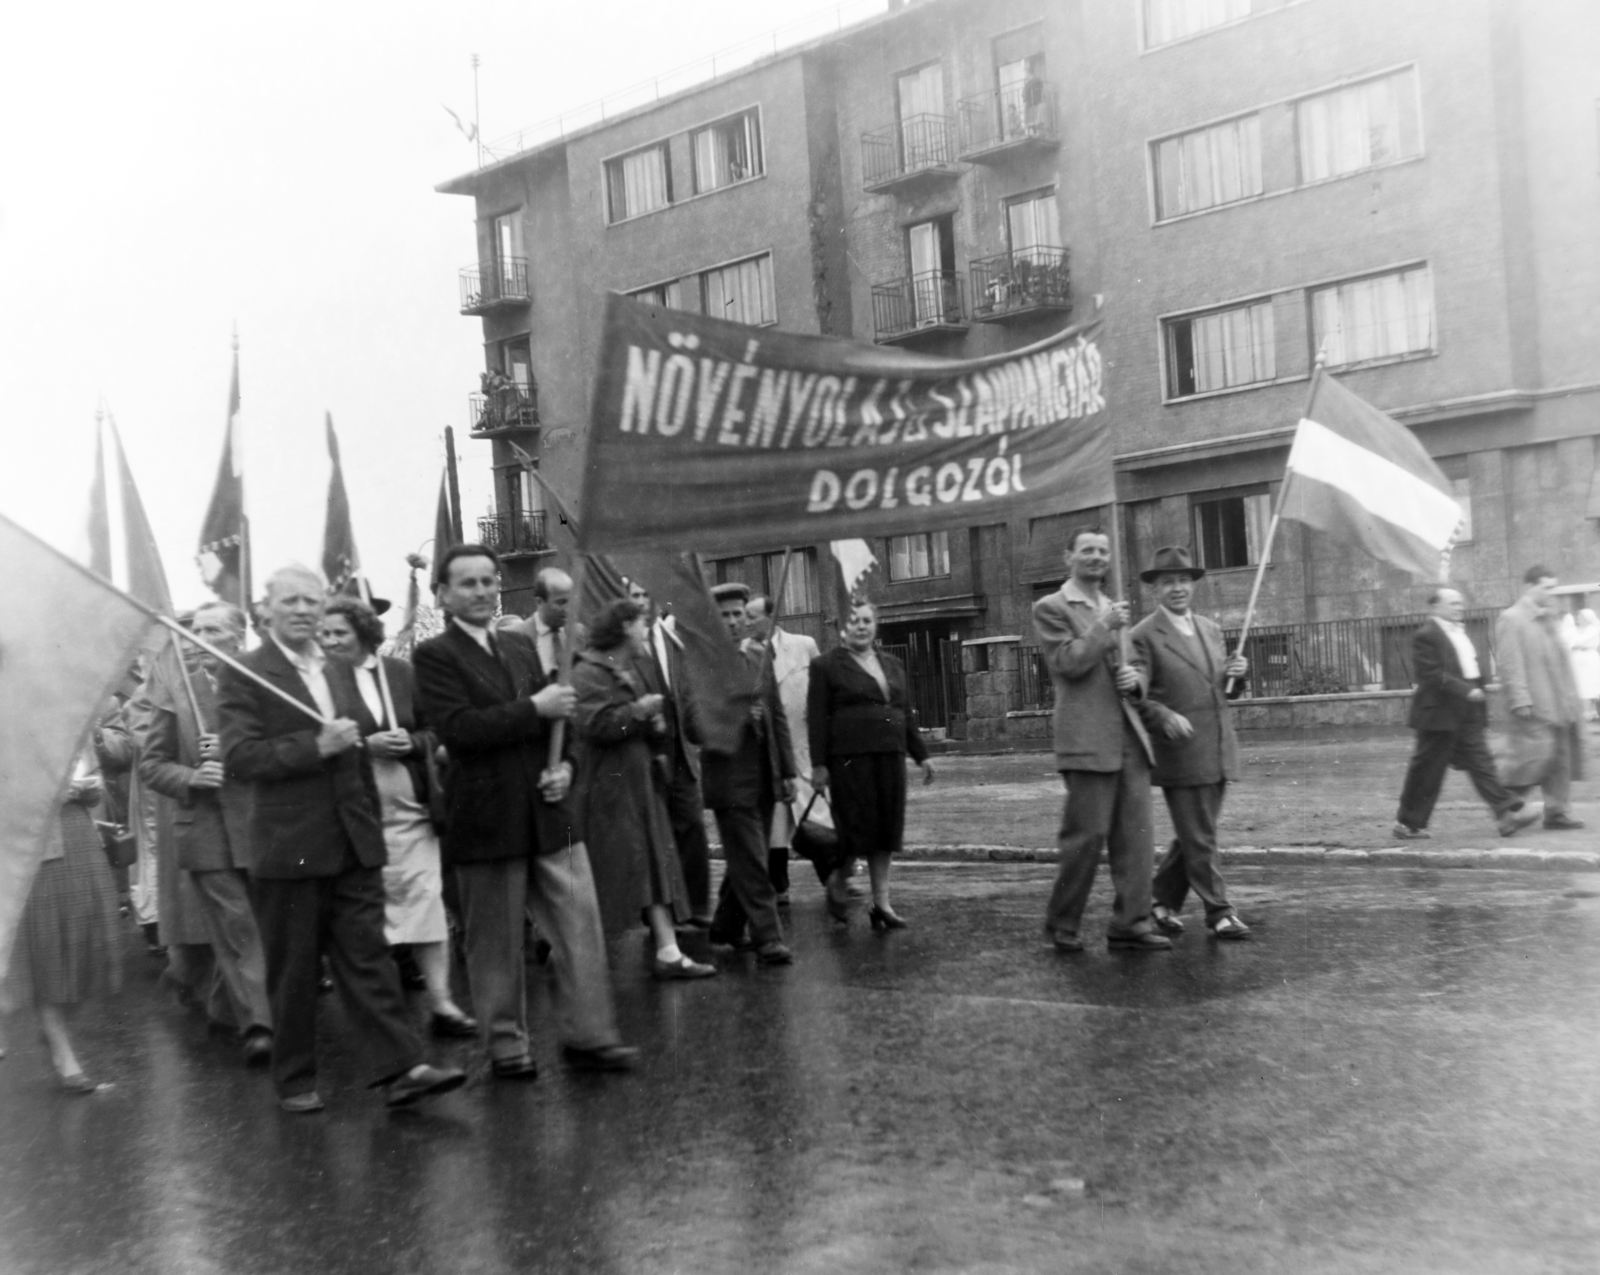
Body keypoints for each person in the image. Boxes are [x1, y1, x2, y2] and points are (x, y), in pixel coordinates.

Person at [217, 565, 466, 1113]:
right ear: (267, 609)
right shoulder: (246, 673)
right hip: (291, 846)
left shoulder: (337, 668)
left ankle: (403, 1068)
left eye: (312, 600)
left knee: (368, 959)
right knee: (295, 970)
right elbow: (239, 758)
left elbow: (357, 748)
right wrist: (315, 746)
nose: (304, 610)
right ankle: (295, 1079)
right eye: (291, 601)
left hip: (354, 840)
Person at [413, 545, 637, 1078]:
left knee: (580, 924)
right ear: (442, 595)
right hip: (487, 816)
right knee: (493, 941)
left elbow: (562, 723)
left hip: (547, 808)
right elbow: (460, 731)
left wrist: (569, 769)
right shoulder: (434, 657)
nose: (482, 591)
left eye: (489, 581)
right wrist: (532, 709)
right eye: (467, 583)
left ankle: (590, 1035)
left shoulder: (517, 648)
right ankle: (506, 1045)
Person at [317, 596, 476, 1038]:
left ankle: (442, 1002)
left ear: (365, 633)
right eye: (324, 634)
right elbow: (314, 745)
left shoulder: (401, 674)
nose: (329, 641)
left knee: (425, 903)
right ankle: (385, 1017)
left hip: (412, 813)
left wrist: (413, 743)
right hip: (355, 816)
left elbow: (435, 729)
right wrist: (365, 748)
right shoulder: (317, 682)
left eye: (339, 633)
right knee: (372, 916)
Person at [138, 601, 275, 1065]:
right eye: (194, 629)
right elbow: (152, 766)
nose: (198, 638)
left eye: (212, 630)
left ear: (238, 637)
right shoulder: (175, 692)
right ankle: (261, 1024)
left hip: (261, 824)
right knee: (239, 927)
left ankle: (223, 1007)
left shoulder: (263, 684)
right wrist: (191, 778)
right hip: (205, 829)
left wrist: (236, 752)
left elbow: (286, 751)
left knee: (256, 927)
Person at [1032, 528, 1168, 954]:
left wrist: (1137, 680)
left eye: (1103, 551)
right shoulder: (1051, 607)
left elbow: (1133, 667)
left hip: (1129, 736)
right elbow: (1067, 663)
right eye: (1087, 550)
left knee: (1137, 838)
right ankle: (1063, 924)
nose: (1096, 557)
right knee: (1086, 839)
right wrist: (1104, 628)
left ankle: (1131, 922)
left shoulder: (1114, 607)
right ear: (1068, 555)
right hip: (1087, 738)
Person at [572, 597, 715, 979]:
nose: (645, 631)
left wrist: (651, 729)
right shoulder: (588, 672)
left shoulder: (626, 669)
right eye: (640, 624)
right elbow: (596, 726)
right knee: (615, 868)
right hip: (610, 790)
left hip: (636, 786)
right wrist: (639, 713)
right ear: (622, 628)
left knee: (653, 864)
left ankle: (668, 950)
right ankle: (572, 952)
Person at [1128, 547, 1253, 940]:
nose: (1177, 588)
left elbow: (1221, 690)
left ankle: (1159, 902)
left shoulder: (1210, 629)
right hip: (1180, 751)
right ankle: (1219, 912)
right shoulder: (1143, 635)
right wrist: (1162, 716)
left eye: (1183, 580)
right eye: (1168, 582)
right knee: (1201, 835)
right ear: (1155, 590)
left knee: (1194, 832)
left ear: (1193, 585)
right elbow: (1135, 693)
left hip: (1217, 747)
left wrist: (1237, 675)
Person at [1, 741, 123, 1094]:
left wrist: (91, 788)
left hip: (79, 837)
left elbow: (94, 779)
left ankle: (53, 1025)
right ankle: (61, 1050)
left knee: (89, 942)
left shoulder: (72, 719)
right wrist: (49, 792)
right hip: (34, 846)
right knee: (48, 950)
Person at [807, 600, 934, 929]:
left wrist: (922, 755)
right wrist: (819, 766)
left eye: (867, 620)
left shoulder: (891, 663)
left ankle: (882, 904)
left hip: (889, 756)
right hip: (850, 760)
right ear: (841, 628)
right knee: (855, 830)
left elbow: (905, 713)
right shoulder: (826, 665)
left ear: (875, 625)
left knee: (886, 831)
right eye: (854, 621)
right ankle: (839, 877)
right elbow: (818, 720)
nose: (861, 626)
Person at [1391, 588, 1537, 841]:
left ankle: (1506, 815)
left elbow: (1469, 668)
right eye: (1452, 604)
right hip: (1439, 714)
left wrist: (1475, 693)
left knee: (1482, 763)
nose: (1459, 607)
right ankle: (1407, 824)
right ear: (1435, 607)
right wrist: (1466, 690)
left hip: (1466, 711)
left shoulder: (1459, 631)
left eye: (1460, 603)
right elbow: (1431, 673)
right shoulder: (1426, 635)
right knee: (1427, 770)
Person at [704, 581, 796, 965]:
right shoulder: (705, 662)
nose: (732, 622)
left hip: (765, 773)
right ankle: (768, 937)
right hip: (729, 776)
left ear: (747, 617)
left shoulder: (760, 653)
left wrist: (788, 771)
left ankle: (724, 927)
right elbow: (697, 725)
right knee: (755, 861)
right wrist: (738, 715)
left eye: (738, 614)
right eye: (723, 616)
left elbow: (777, 717)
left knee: (746, 857)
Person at [626, 578, 714, 927]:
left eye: (647, 593)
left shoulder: (673, 640)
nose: (643, 601)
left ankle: (694, 907)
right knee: (653, 834)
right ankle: (656, 910)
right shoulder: (622, 646)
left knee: (691, 824)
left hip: (680, 751)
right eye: (635, 595)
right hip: (646, 752)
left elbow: (688, 692)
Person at [745, 594, 823, 907]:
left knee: (816, 818)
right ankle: (780, 886)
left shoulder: (804, 645)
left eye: (752, 616)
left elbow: (820, 691)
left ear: (771, 616)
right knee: (777, 821)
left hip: (803, 744)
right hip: (771, 747)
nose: (747, 623)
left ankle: (836, 879)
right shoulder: (747, 655)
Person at [1496, 566, 1586, 830]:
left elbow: (1560, 662)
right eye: (1546, 587)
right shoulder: (1512, 618)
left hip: (1557, 702)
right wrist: (1519, 698)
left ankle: (1557, 811)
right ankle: (1510, 813)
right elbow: (1510, 663)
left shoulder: (1548, 618)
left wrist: (1570, 699)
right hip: (1533, 704)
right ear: (1530, 586)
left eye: (1553, 587)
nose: (1551, 593)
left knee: (1560, 758)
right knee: (1530, 760)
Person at [520, 566, 574, 681]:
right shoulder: (518, 636)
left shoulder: (578, 633)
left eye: (570, 601)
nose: (568, 609)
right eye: (561, 603)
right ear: (539, 602)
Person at [1558, 592, 1600, 722]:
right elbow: (1565, 641)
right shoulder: (1573, 630)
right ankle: (1585, 712)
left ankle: (1592, 711)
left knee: (1591, 685)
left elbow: (1581, 642)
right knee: (1580, 685)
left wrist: (1575, 643)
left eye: (1581, 617)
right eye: (1578, 617)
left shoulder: (1594, 629)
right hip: (1577, 660)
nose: (1578, 619)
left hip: (1589, 659)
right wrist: (1573, 643)